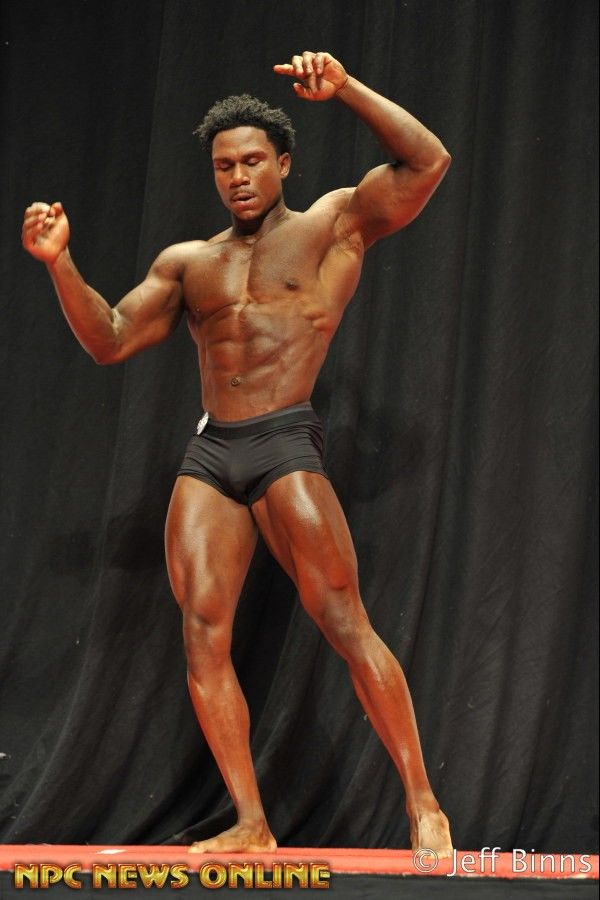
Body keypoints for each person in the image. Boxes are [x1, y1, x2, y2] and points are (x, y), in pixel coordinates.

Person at [22, 51, 452, 856]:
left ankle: (424, 803)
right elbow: (110, 339)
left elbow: (428, 162)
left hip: (285, 437)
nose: (239, 177)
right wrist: (60, 264)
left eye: (253, 161)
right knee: (202, 631)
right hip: (213, 453)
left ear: (283, 163)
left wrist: (346, 90)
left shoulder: (334, 224)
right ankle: (252, 823)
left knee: (343, 619)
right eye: (225, 166)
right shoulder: (189, 262)